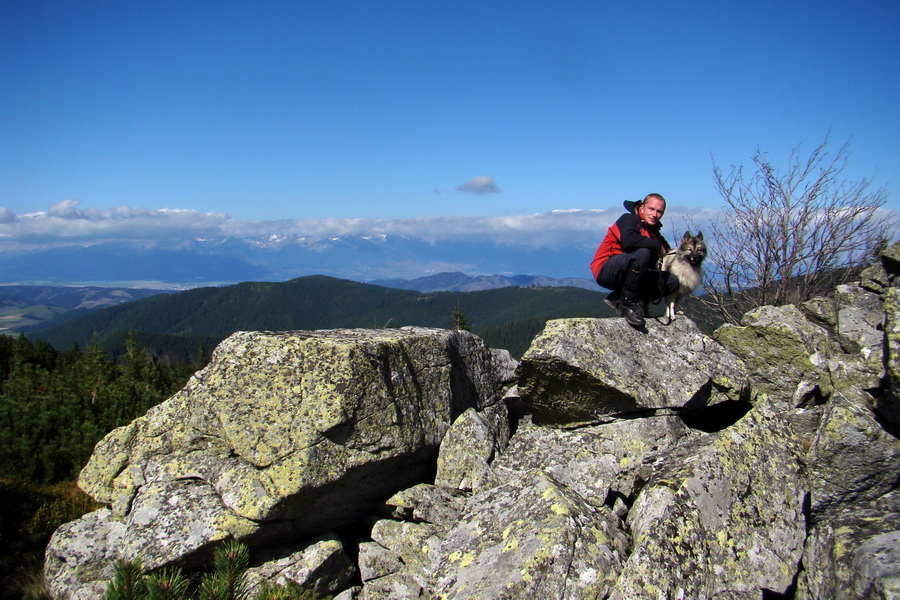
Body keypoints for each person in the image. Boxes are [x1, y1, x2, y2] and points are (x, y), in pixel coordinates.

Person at [590, 193, 679, 327]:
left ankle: (618, 298)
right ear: (642, 207)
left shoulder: (653, 232)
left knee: (671, 281)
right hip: (606, 269)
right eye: (651, 209)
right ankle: (628, 304)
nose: (655, 214)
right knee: (642, 253)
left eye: (659, 211)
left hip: (631, 274)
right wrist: (656, 245)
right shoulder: (629, 219)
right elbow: (629, 241)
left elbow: (667, 252)